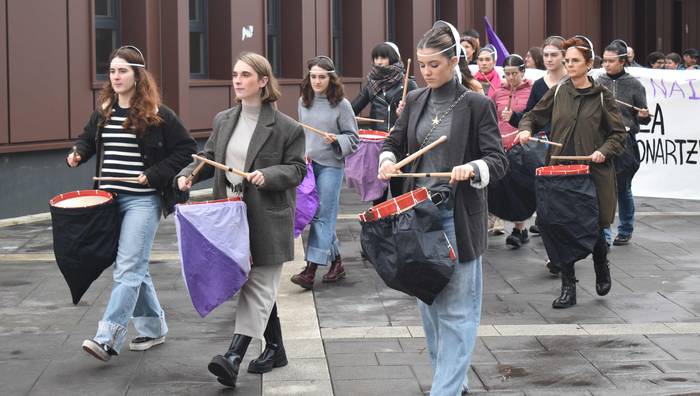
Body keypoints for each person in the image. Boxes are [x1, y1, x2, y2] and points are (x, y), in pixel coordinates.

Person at [378, 20, 507, 395]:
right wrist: (387, 159)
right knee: (430, 310)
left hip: (455, 218)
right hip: (417, 216)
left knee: (456, 313)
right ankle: (452, 384)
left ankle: (444, 391)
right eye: (421, 65)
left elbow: (498, 161)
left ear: (454, 61)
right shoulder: (416, 99)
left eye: (434, 64)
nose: (426, 71)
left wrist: (474, 168)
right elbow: (394, 140)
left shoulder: (477, 104)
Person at [176, 52, 306, 387]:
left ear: (263, 81)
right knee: (256, 285)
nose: (237, 80)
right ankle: (275, 347)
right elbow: (207, 157)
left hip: (266, 217)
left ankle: (233, 356)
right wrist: (189, 175)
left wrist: (269, 174)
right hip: (229, 217)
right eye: (235, 74)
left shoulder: (287, 128)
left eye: (245, 75)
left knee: (258, 285)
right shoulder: (223, 119)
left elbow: (297, 169)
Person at [67, 45, 197, 361]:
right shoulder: (104, 112)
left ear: (137, 76)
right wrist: (79, 153)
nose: (116, 76)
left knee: (127, 267)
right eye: (112, 71)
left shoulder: (158, 115)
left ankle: (107, 337)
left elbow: (186, 150)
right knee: (135, 267)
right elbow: (88, 140)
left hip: (142, 202)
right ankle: (153, 328)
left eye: (122, 70)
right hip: (108, 201)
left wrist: (153, 174)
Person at [516, 36, 627, 309]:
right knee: (560, 227)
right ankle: (568, 287)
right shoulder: (558, 91)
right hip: (560, 173)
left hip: (593, 174)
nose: (569, 65)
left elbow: (618, 136)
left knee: (595, 226)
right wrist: (525, 130)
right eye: (567, 61)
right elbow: (532, 115)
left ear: (589, 64)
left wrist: (603, 150)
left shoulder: (603, 97)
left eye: (574, 60)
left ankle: (601, 264)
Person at [290, 56, 359, 290]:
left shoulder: (342, 105)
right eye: (313, 76)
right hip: (309, 165)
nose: (317, 81)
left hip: (332, 166)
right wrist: (302, 153)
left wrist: (336, 139)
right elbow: (303, 134)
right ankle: (337, 262)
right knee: (317, 215)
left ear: (331, 78)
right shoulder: (303, 101)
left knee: (322, 215)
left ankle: (310, 269)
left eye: (322, 77)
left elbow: (353, 138)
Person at [509, 35, 567, 239]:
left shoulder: (573, 82)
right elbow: (530, 116)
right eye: (546, 55)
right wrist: (521, 125)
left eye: (554, 55)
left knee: (566, 198)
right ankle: (552, 242)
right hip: (545, 148)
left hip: (570, 147)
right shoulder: (540, 85)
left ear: (564, 56)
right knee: (547, 195)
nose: (549, 59)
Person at [598, 40, 651, 246]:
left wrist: (644, 115)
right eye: (605, 61)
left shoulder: (634, 84)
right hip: (602, 141)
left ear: (622, 61)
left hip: (625, 143)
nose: (606, 65)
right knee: (602, 187)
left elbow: (642, 117)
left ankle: (626, 228)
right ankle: (604, 233)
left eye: (611, 61)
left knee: (623, 188)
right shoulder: (597, 82)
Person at [352, 42, 417, 205]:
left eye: (383, 57)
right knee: (378, 194)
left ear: (392, 58)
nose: (379, 61)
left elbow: (420, 113)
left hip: (400, 143)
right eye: (376, 57)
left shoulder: (408, 83)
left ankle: (401, 229)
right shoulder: (372, 82)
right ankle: (379, 230)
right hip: (377, 145)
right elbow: (353, 107)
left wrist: (404, 113)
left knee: (400, 194)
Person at [493, 54, 533, 248]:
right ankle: (517, 227)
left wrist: (516, 116)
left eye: (514, 73)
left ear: (523, 72)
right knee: (502, 186)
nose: (511, 78)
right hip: (501, 145)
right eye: (507, 74)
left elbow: (535, 115)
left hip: (522, 145)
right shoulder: (497, 92)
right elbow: (489, 115)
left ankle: (519, 228)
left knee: (520, 187)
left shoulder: (532, 90)